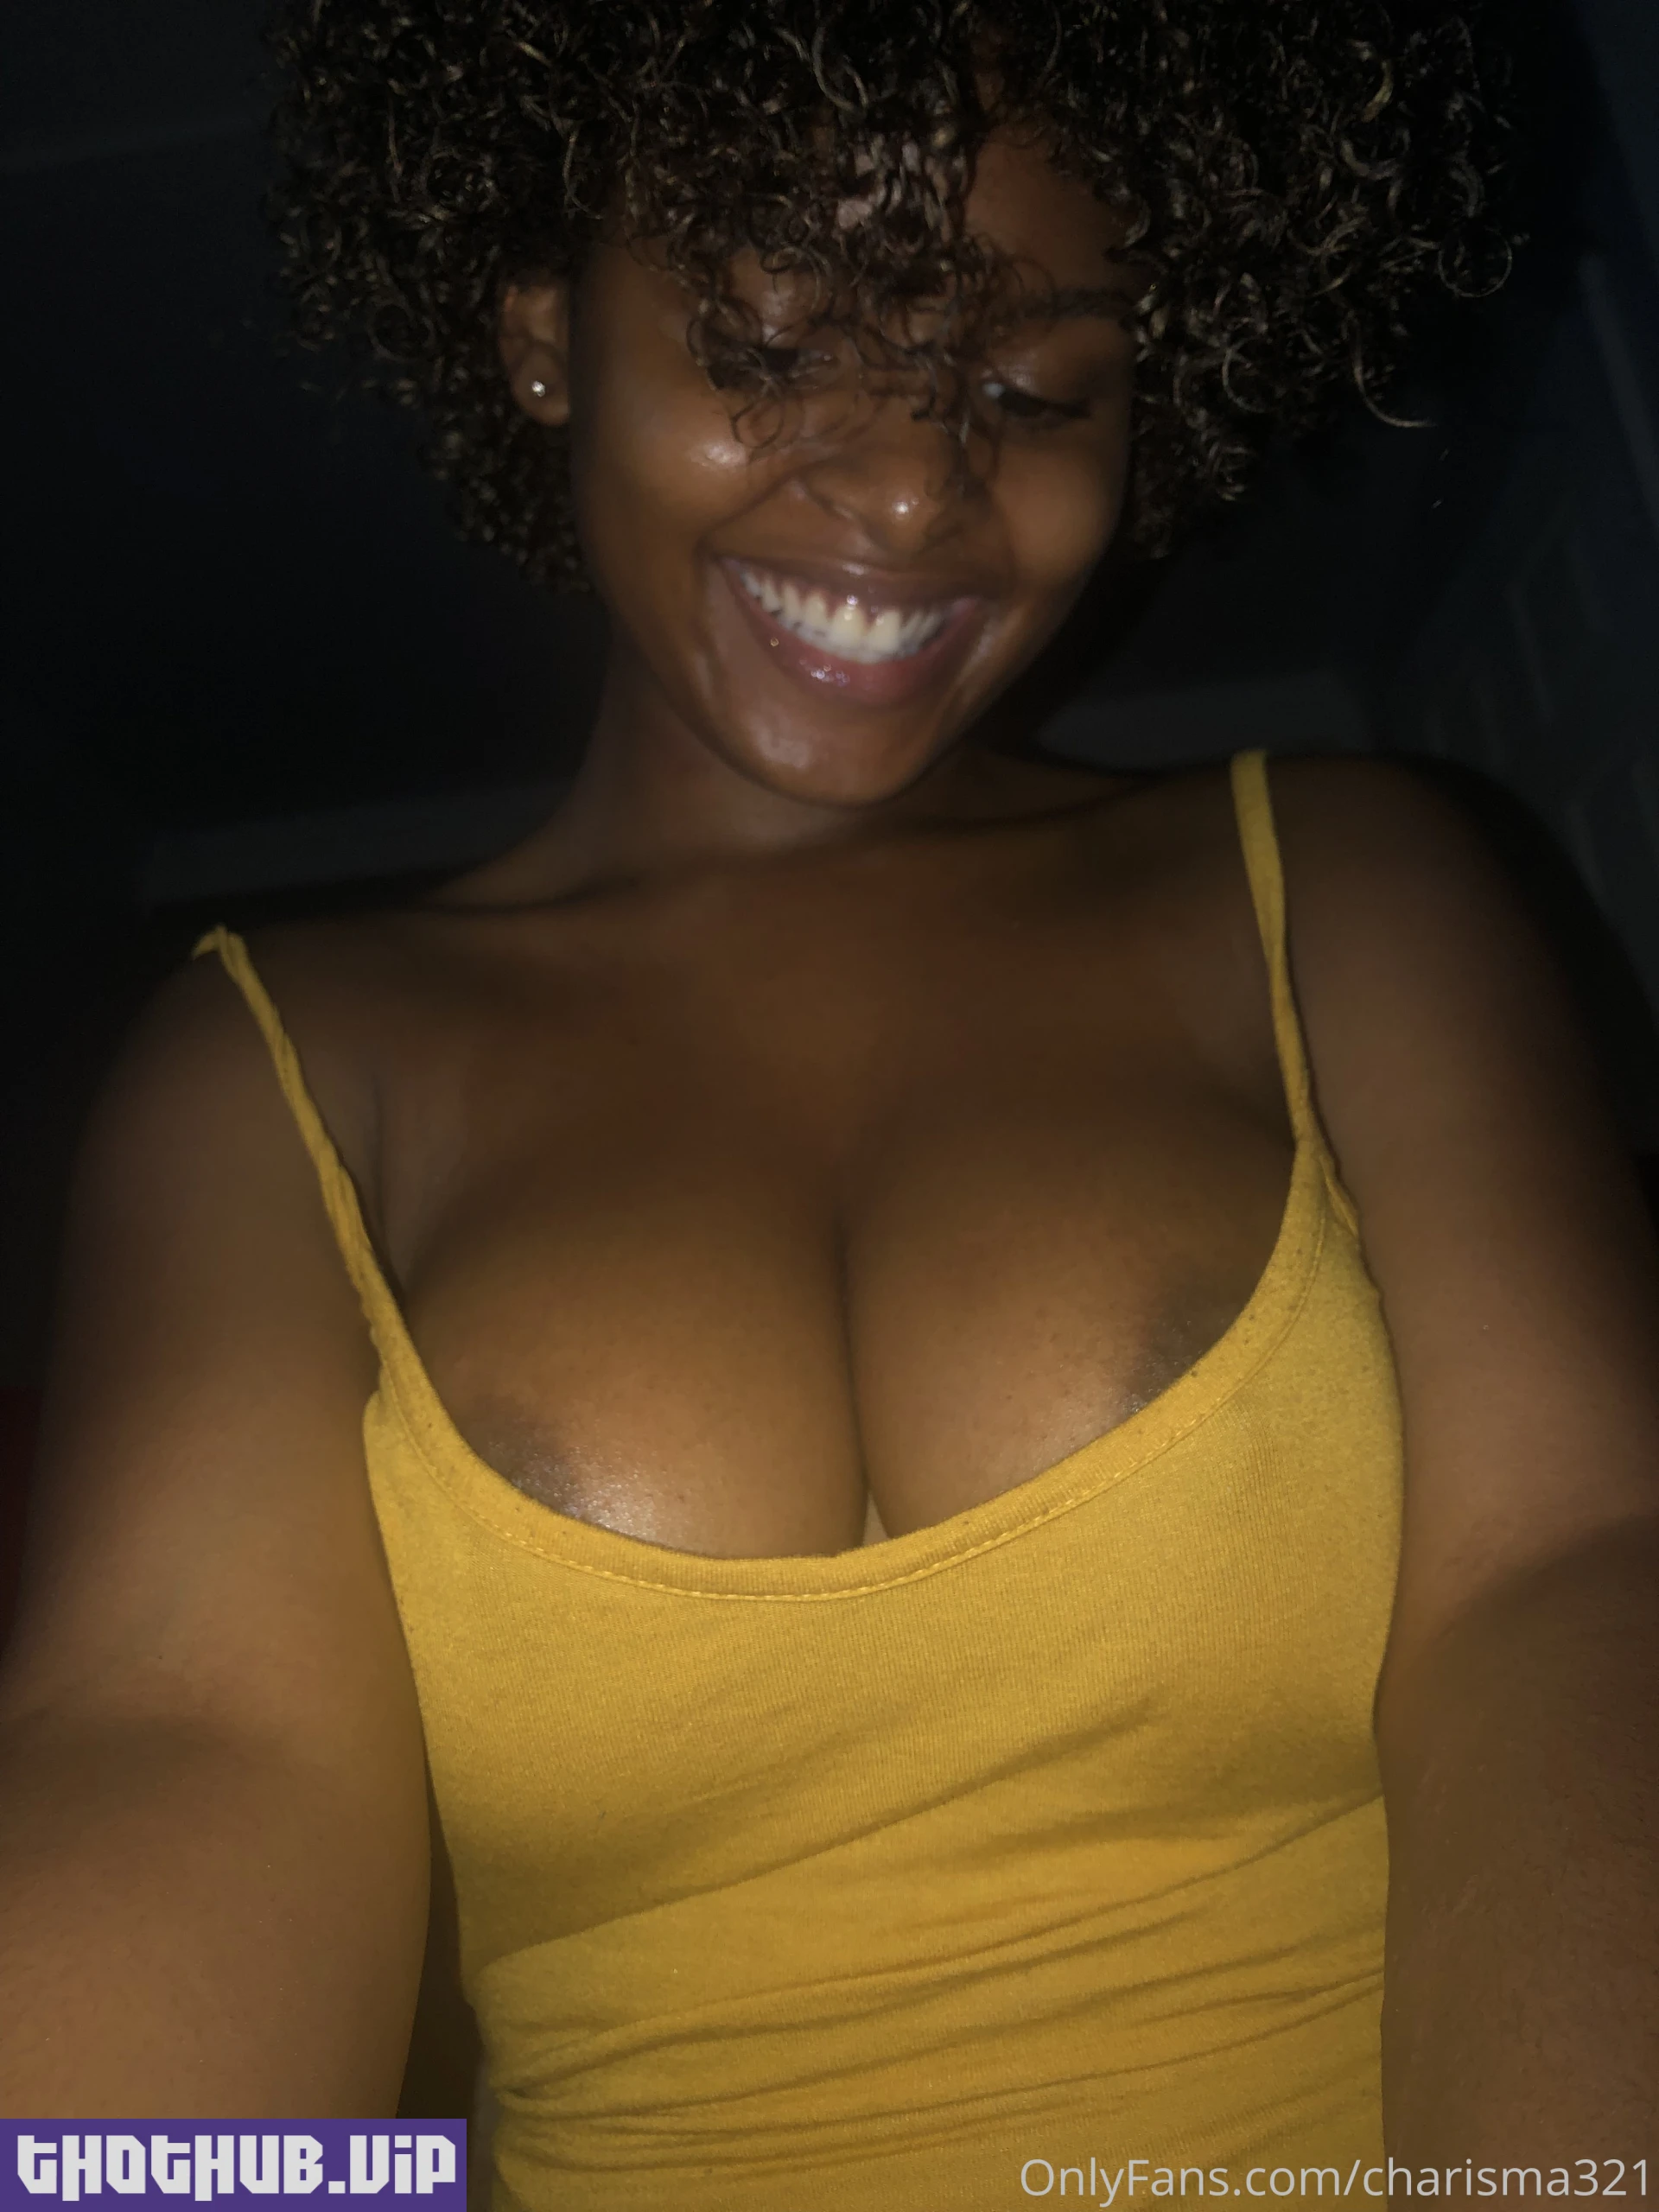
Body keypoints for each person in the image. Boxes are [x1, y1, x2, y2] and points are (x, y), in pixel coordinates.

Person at [1, 0, 1655, 2199]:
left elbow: (1573, 1592)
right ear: (544, 340)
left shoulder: (1338, 886)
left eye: (1028, 387)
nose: (907, 486)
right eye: (776, 345)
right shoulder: (280, 1065)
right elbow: (173, 1756)